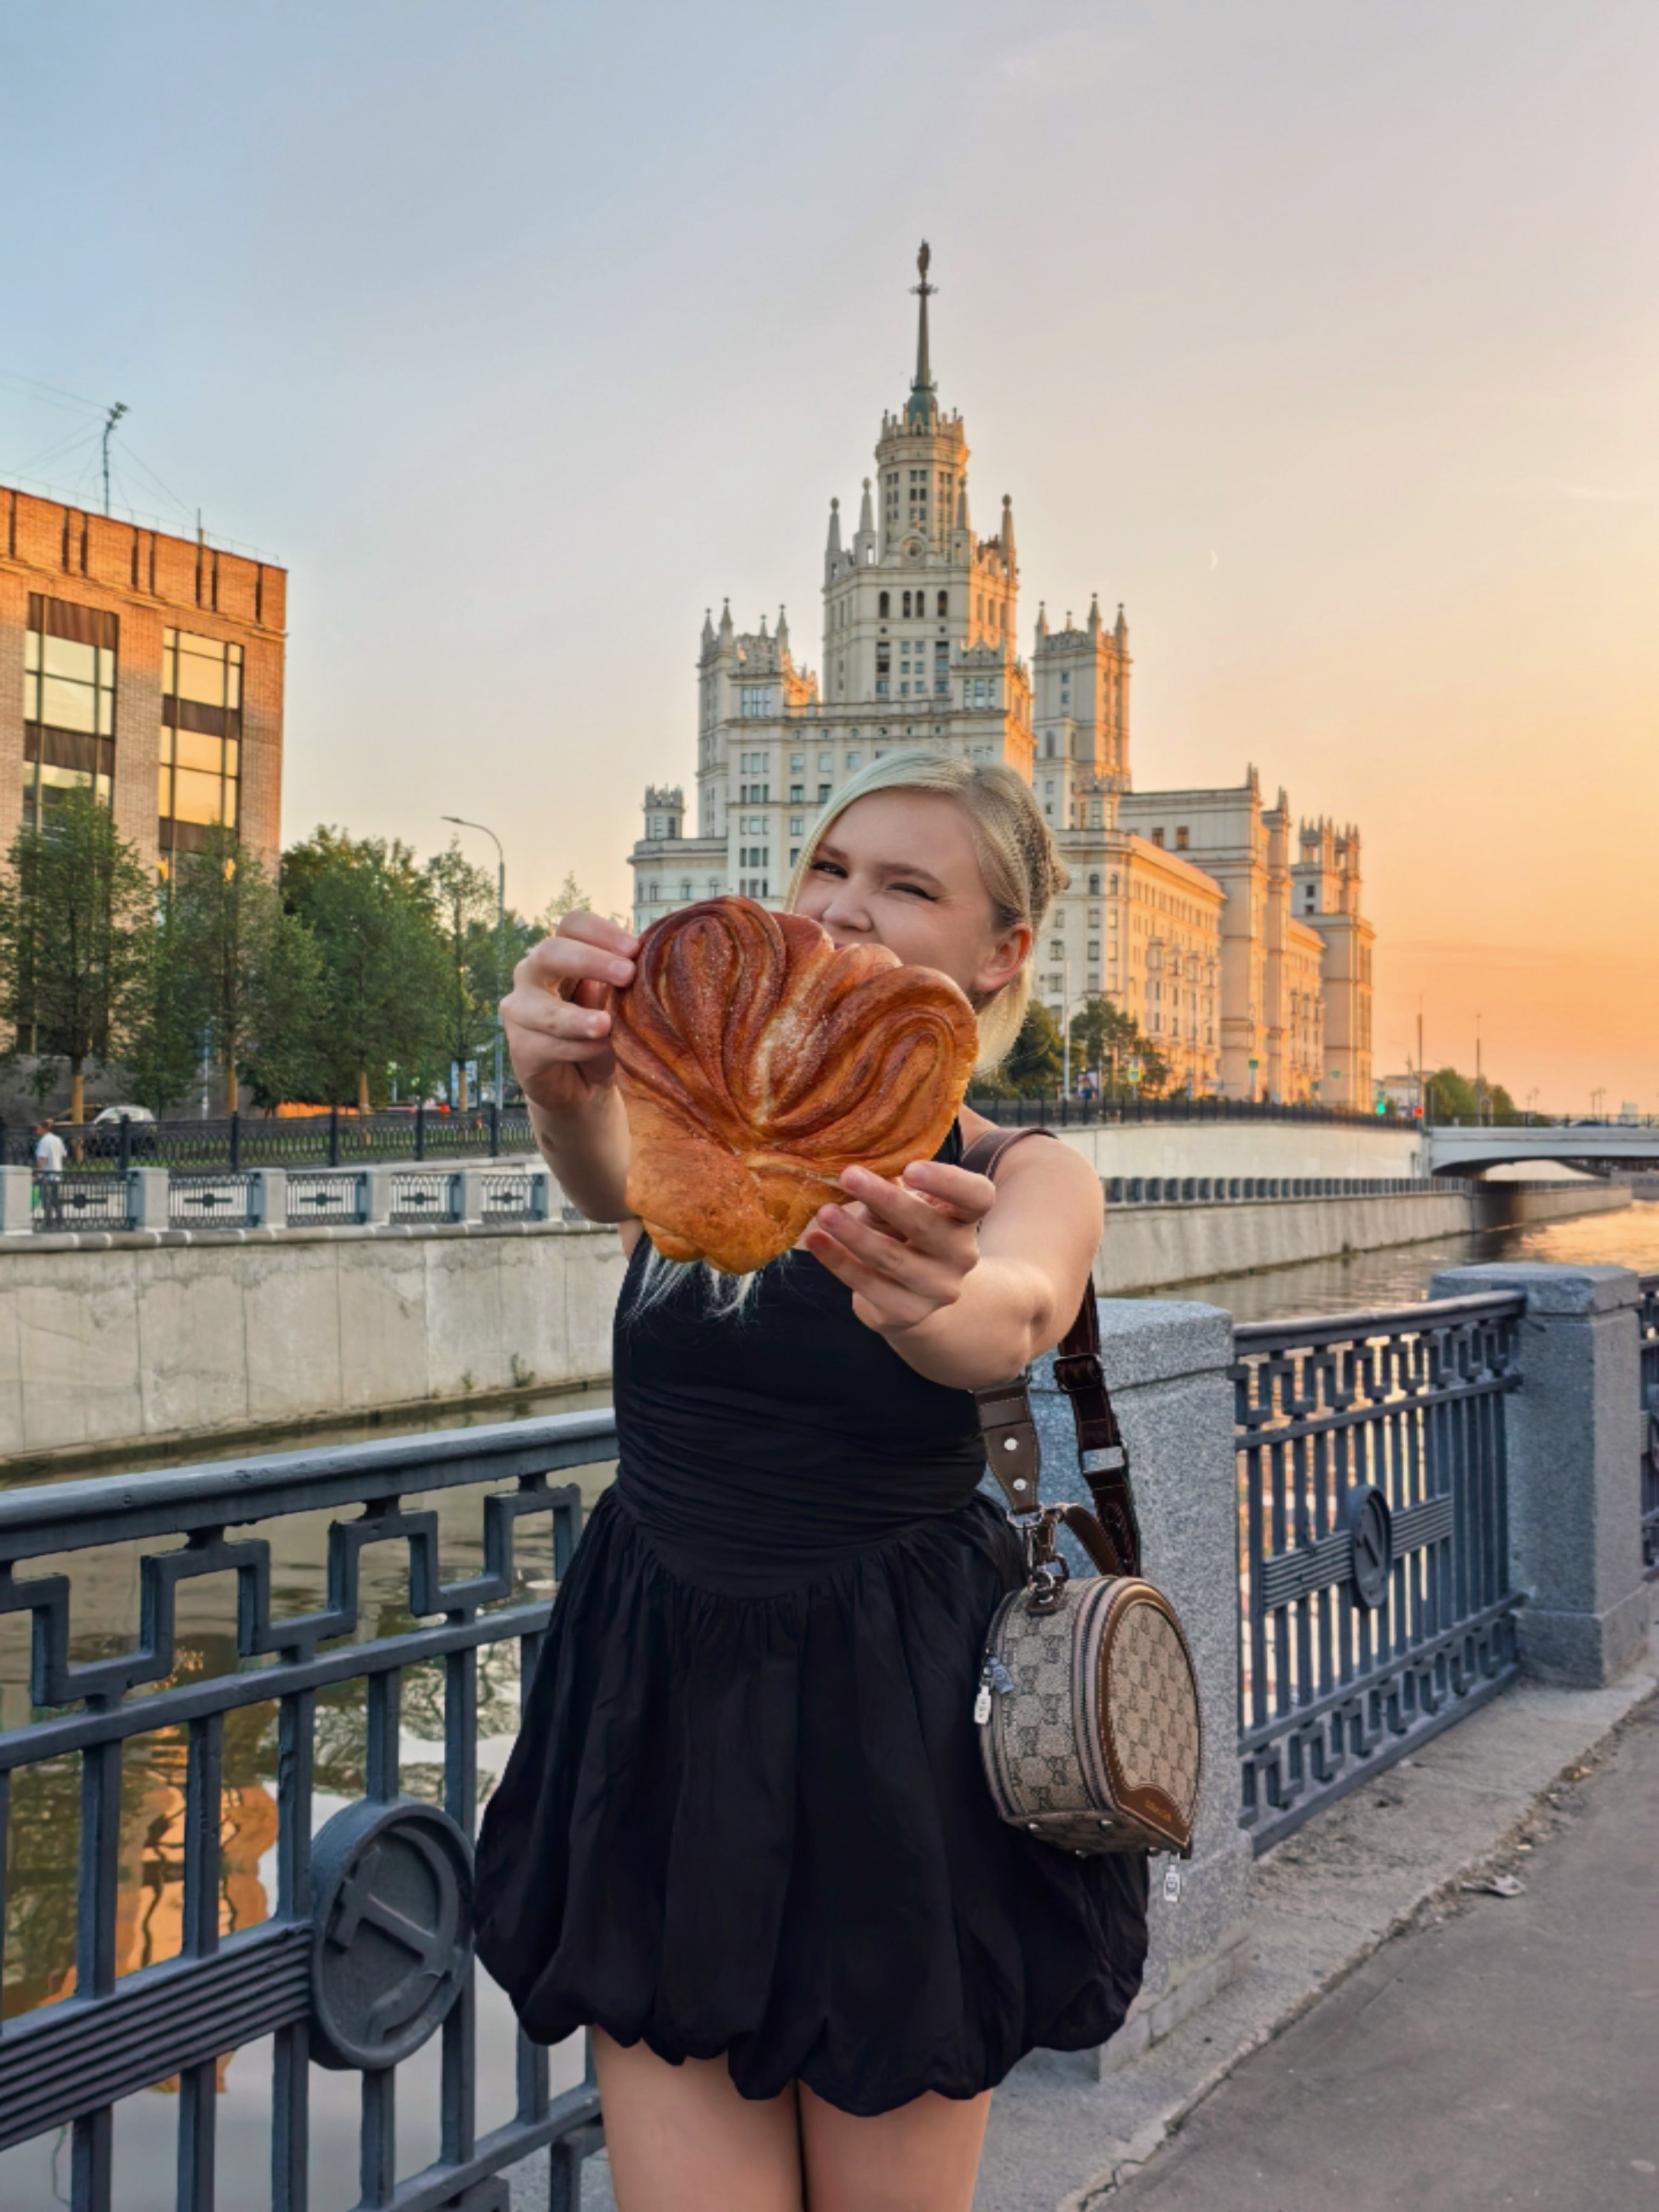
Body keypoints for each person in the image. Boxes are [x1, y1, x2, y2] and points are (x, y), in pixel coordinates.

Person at [474, 754, 1148, 2212]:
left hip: (885, 1728)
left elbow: (1015, 1305)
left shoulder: (1018, 1167)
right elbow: (609, 1183)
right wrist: (557, 1079)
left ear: (999, 952)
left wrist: (926, 1299)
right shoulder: (714, 1118)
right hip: (656, 1692)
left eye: (907, 886)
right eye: (826, 866)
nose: (845, 907)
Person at [33, 1119, 65, 1228]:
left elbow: (42, 1159)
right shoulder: (58, 1139)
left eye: (38, 1128)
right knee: (56, 1199)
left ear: (44, 1129)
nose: (36, 1130)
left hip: (47, 1174)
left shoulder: (44, 1141)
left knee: (46, 1199)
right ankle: (60, 1220)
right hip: (57, 1173)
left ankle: (49, 1222)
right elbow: (64, 1154)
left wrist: (36, 1173)